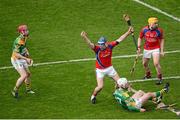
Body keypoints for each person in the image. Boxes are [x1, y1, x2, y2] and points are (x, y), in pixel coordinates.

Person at [80, 26, 134, 104]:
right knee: (100, 87)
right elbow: (90, 44)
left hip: (110, 69)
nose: (100, 46)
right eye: (99, 44)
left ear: (105, 43)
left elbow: (120, 39)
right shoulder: (97, 49)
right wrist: (84, 37)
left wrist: (128, 33)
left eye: (102, 44)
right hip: (100, 71)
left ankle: (116, 93)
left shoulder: (110, 46)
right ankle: (93, 96)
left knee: (120, 83)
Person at [137, 17, 165, 85]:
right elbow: (140, 38)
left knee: (156, 63)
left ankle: (159, 77)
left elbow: (162, 40)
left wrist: (161, 51)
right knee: (144, 64)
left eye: (157, 23)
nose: (157, 24)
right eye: (155, 23)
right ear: (150, 24)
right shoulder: (144, 30)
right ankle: (148, 74)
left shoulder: (159, 30)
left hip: (155, 48)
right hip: (147, 48)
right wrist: (139, 47)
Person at [11, 24, 35, 98]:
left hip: (21, 58)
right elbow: (16, 54)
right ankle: (14, 90)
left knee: (28, 74)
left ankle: (28, 90)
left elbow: (23, 46)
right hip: (16, 59)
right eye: (26, 30)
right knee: (24, 75)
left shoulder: (24, 37)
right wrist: (26, 59)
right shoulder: (19, 41)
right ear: (22, 32)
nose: (28, 31)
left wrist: (26, 52)